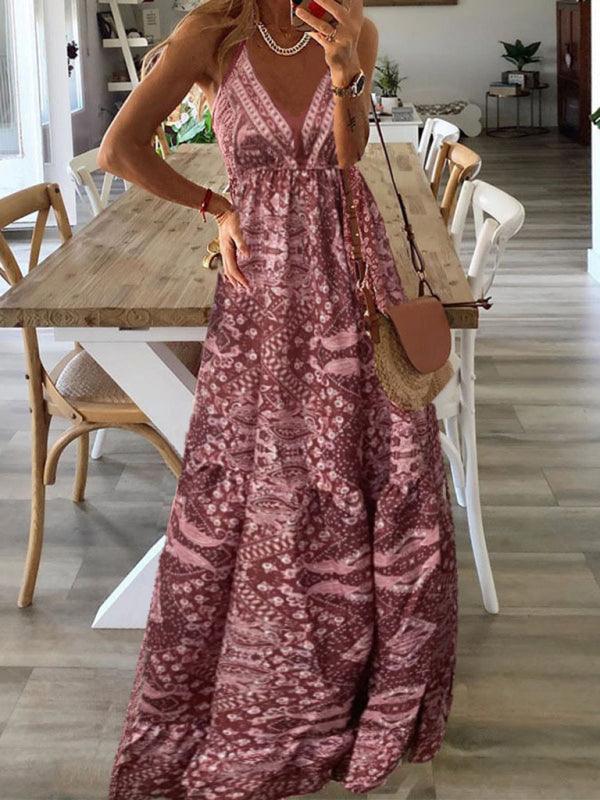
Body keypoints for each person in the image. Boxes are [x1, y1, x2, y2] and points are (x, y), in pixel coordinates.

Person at [99, 1, 458, 798]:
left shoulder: (353, 25)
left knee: (364, 467)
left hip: (351, 270)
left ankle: (359, 676)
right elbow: (121, 148)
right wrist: (216, 206)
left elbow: (348, 157)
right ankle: (274, 670)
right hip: (262, 285)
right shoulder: (211, 32)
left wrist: (345, 69)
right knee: (263, 474)